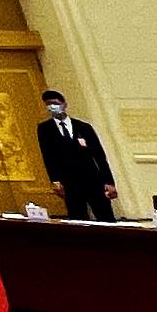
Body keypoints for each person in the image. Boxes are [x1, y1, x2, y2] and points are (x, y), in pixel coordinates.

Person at [34, 91, 118, 222]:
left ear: (64, 104)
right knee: (78, 218)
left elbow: (99, 156)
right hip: (69, 181)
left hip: (92, 179)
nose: (52, 107)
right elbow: (48, 156)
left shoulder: (84, 127)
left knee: (105, 216)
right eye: (48, 104)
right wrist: (54, 180)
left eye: (55, 103)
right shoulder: (45, 129)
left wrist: (109, 182)